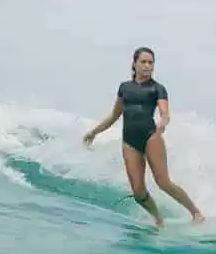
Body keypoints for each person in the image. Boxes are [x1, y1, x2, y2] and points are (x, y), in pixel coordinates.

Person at [83, 46, 206, 227]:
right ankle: (158, 219)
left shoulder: (158, 89)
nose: (148, 66)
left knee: (163, 182)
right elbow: (114, 115)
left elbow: (165, 112)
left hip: (151, 136)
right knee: (138, 193)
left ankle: (196, 213)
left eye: (151, 62)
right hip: (129, 141)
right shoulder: (124, 88)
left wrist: (163, 122)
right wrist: (94, 132)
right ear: (134, 64)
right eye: (144, 62)